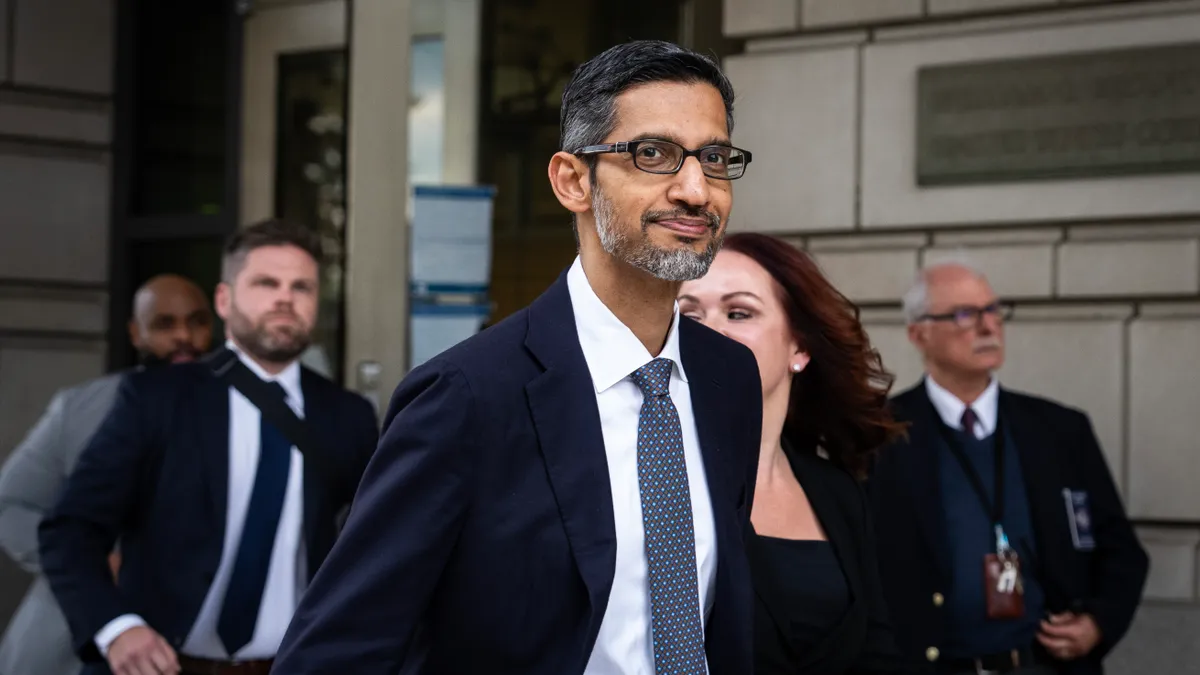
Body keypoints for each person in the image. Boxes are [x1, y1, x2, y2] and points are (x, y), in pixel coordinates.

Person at [270, 39, 763, 675]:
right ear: (572, 180)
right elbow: (334, 652)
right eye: (654, 154)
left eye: (714, 158)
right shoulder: (466, 396)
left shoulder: (729, 378)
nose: (696, 190)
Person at [39, 219, 380, 675]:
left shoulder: (349, 415)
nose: (285, 297)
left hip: (293, 665)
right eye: (266, 283)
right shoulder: (158, 399)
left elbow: (378, 543)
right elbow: (71, 530)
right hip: (166, 666)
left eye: (302, 287)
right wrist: (115, 627)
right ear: (224, 300)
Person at [868, 260, 1149, 674]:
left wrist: (1098, 623)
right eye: (965, 314)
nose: (987, 326)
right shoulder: (879, 435)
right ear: (918, 333)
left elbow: (1122, 551)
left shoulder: (1060, 429)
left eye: (993, 310)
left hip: (1045, 665)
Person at [678, 232, 907, 674]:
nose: (708, 331)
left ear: (799, 347)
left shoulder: (837, 491)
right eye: (688, 313)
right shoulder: (651, 479)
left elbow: (877, 649)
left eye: (738, 312)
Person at [0, 274, 213, 675]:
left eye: (198, 321)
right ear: (136, 333)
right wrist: (94, 560)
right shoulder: (80, 407)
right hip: (73, 642)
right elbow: (10, 504)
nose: (184, 336)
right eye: (165, 324)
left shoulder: (250, 410)